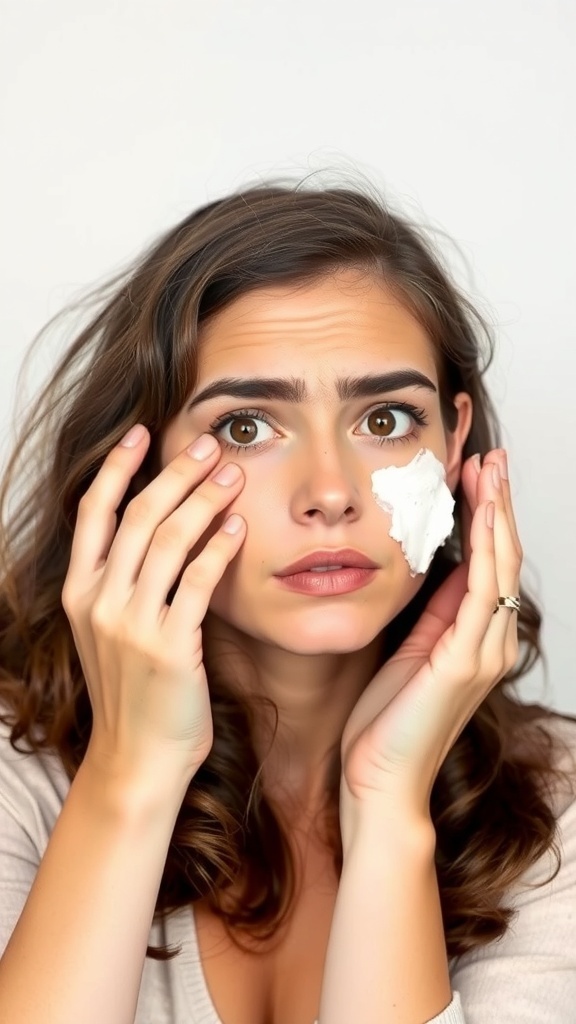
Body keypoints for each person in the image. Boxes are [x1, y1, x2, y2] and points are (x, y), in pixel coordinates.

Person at [0, 182, 574, 1024]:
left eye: (384, 418)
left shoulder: (557, 808)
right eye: (245, 427)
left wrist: (387, 808)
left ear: (454, 444)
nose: (331, 493)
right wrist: (129, 780)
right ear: (139, 467)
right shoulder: (19, 782)